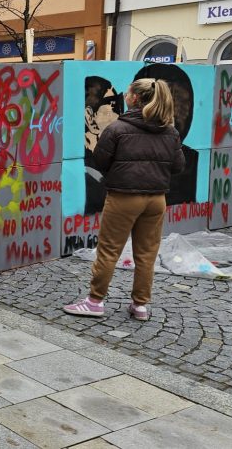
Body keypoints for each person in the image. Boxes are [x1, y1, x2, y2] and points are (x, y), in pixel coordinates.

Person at [63, 78, 185, 321]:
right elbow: (178, 166)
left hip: (123, 197)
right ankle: (140, 306)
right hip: (156, 199)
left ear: (136, 99)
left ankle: (95, 301)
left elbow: (100, 160)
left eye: (129, 92)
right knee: (147, 254)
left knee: (108, 251)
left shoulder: (118, 129)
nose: (126, 96)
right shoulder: (169, 131)